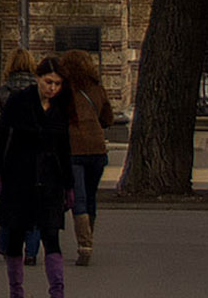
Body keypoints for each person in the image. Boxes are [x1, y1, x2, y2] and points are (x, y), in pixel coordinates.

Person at [0, 53, 74, 298]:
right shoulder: (19, 102)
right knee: (14, 238)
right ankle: (16, 291)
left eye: (57, 84)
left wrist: (69, 186)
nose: (52, 88)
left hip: (50, 182)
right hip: (19, 179)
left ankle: (57, 292)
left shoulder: (61, 107)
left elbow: (65, 148)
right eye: (48, 82)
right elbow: (1, 138)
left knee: (51, 236)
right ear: (38, 78)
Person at [0, 49, 42, 264]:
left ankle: (7, 245)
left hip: (8, 153)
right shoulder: (39, 91)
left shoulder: (3, 91)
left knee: (8, 201)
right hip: (34, 154)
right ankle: (31, 251)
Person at [61, 48, 115, 265]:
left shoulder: (63, 91)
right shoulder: (97, 89)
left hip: (73, 151)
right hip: (97, 150)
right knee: (91, 196)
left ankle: (84, 245)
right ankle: (88, 238)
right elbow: (108, 119)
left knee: (79, 198)